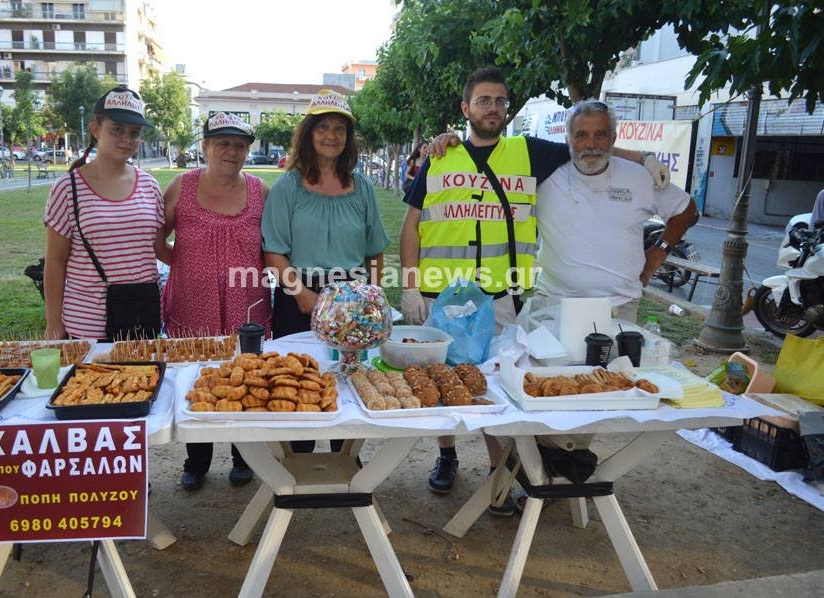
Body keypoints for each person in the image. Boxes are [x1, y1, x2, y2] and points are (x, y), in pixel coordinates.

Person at [399, 67, 671, 508]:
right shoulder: (440, 156)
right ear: (465, 108)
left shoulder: (528, 153)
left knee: (497, 385)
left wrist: (643, 160)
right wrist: (410, 288)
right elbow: (411, 226)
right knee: (438, 379)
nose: (493, 108)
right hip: (439, 294)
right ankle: (446, 455)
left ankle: (497, 471)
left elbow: (589, 143)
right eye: (483, 100)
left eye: (500, 101)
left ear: (508, 110)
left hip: (500, 297)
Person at [262, 89, 389, 453]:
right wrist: (305, 298)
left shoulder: (362, 187)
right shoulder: (288, 187)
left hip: (352, 302)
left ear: (348, 138)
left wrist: (374, 299)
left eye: (340, 128)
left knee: (350, 387)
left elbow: (375, 250)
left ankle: (345, 462)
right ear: (308, 133)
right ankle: (296, 465)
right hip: (299, 297)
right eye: (323, 128)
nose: (331, 135)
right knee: (297, 383)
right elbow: (274, 250)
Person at [159, 112, 270, 491]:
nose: (231, 151)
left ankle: (244, 456)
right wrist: (187, 265)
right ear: (205, 146)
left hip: (248, 305)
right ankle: (197, 459)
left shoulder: (260, 191)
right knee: (196, 378)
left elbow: (274, 245)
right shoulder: (181, 187)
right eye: (222, 143)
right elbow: (158, 238)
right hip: (193, 304)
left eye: (239, 145)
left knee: (247, 375)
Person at [534, 100, 697, 323]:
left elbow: (686, 209)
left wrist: (660, 250)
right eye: (581, 135)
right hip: (553, 304)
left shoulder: (639, 177)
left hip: (618, 308)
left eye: (600, 135)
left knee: (616, 360)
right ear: (567, 140)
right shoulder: (545, 175)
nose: (590, 144)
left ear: (613, 138)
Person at [43, 86, 165, 341]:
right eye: (117, 129)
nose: (127, 139)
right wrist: (54, 323)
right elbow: (55, 262)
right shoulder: (68, 189)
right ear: (95, 128)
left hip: (141, 320)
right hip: (87, 326)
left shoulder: (149, 185)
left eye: (135, 132)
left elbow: (156, 248)